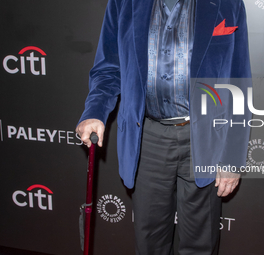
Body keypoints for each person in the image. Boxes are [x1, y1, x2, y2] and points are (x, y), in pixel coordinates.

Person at [76, 0, 252, 254]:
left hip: (205, 140)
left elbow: (239, 83)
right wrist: (95, 111)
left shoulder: (227, 3)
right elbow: (108, 69)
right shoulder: (123, 3)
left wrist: (232, 157)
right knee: (150, 243)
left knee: (201, 245)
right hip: (147, 138)